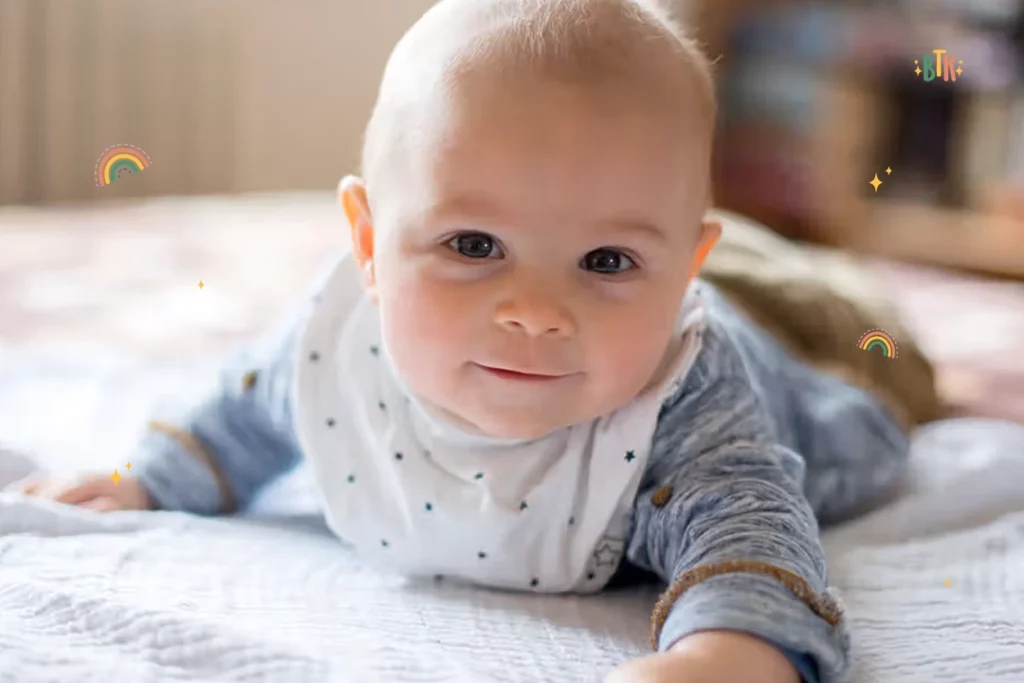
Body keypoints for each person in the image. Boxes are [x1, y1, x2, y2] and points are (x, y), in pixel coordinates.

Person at [10, 1, 911, 680]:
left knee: (874, 390)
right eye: (473, 245)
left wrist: (724, 653)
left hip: (785, 380)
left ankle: (810, 313)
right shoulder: (337, 343)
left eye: (606, 257)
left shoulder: (686, 392)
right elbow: (241, 410)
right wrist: (144, 479)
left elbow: (750, 526)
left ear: (682, 272)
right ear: (368, 244)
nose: (536, 311)